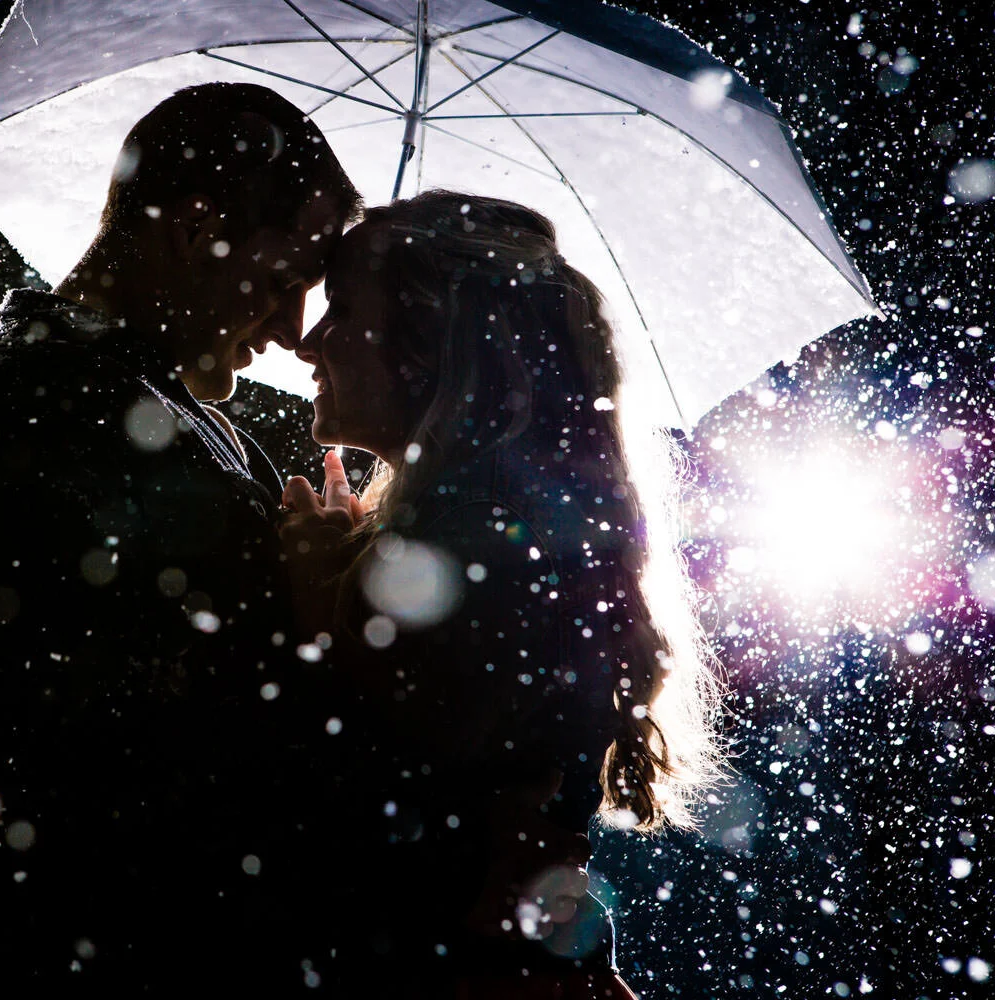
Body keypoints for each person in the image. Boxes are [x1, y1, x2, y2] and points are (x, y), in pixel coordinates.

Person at [0, 82, 360, 996]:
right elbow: (101, 753)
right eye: (288, 277)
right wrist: (310, 618)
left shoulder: (163, 408)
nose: (298, 331)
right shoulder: (34, 414)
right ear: (194, 227)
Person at [277, 191, 725, 997]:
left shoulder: (481, 544)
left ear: (429, 347)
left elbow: (376, 800)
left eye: (342, 308)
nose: (310, 341)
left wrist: (319, 599)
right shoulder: (514, 527)